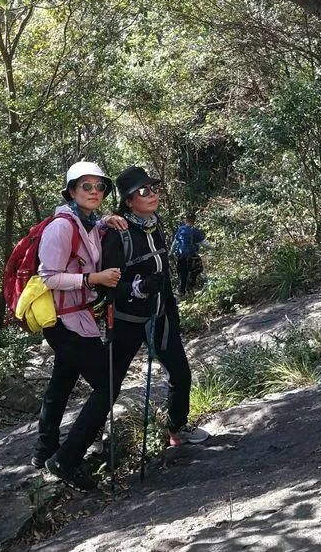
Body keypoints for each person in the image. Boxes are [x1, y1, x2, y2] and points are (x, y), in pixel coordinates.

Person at [101, 166, 209, 447]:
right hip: (127, 320)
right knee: (110, 382)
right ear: (128, 200)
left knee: (180, 372)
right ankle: (93, 437)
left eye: (154, 189)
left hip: (159, 315)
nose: (152, 195)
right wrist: (139, 287)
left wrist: (172, 310)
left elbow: (164, 276)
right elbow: (107, 284)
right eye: (143, 191)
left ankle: (177, 427)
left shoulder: (155, 223)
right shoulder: (117, 233)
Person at [34, 161, 124, 491]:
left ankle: (44, 449)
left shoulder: (86, 223)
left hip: (75, 316)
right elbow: (48, 276)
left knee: (62, 381)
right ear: (71, 191)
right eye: (86, 187)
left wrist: (105, 222)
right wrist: (92, 279)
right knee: (108, 383)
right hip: (64, 321)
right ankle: (66, 459)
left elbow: (89, 241)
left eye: (99, 187)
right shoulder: (61, 227)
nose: (94, 192)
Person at [172, 212, 212, 295]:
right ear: (194, 221)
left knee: (183, 273)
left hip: (181, 256)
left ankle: (182, 291)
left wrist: (170, 252)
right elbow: (205, 244)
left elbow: (175, 243)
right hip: (192, 256)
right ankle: (189, 288)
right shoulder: (196, 231)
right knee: (197, 269)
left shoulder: (181, 229)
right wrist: (215, 248)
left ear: (186, 220)